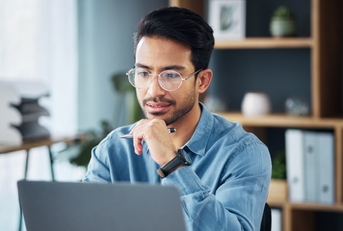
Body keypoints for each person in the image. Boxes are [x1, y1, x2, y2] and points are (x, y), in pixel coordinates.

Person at [83, 6, 271, 231]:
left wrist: (172, 164)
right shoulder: (112, 150)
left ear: (202, 81)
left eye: (171, 75)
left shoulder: (243, 152)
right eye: (144, 73)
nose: (154, 91)